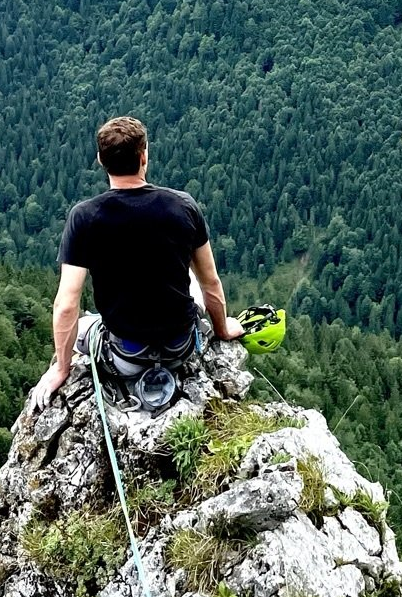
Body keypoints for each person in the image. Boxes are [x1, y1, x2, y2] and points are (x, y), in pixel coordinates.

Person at [29, 115, 244, 413]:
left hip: (126, 356)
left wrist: (62, 369)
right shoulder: (183, 205)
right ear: (144, 156)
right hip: (180, 347)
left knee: (81, 326)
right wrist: (222, 330)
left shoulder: (85, 217)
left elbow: (66, 304)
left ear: (101, 160)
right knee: (193, 281)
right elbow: (211, 283)